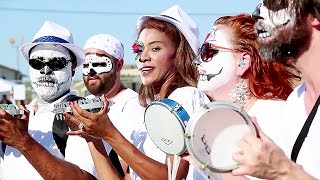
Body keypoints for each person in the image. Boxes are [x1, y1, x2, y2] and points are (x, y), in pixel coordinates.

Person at [65, 5, 209, 180]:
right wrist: (94, 138)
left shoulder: (185, 96)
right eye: (139, 49)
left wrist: (109, 133)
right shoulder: (150, 112)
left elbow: (172, 177)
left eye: (155, 48)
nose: (143, 57)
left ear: (179, 54)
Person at [192, 13, 298, 180]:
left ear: (243, 61)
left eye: (208, 51)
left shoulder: (278, 115)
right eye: (200, 52)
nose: (198, 61)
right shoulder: (209, 124)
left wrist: (206, 161)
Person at [230, 0, 320, 179]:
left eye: (273, 3)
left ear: (315, 15)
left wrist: (282, 170)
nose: (257, 13)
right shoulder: (296, 101)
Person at [0, 21, 99, 179]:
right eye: (37, 63)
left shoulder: (83, 113)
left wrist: (23, 142)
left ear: (73, 68)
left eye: (56, 63)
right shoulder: (14, 118)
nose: (45, 70)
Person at [81, 34, 145, 179]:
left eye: (99, 64)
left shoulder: (134, 107)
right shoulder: (82, 104)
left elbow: (126, 172)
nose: (91, 71)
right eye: (86, 65)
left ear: (119, 66)